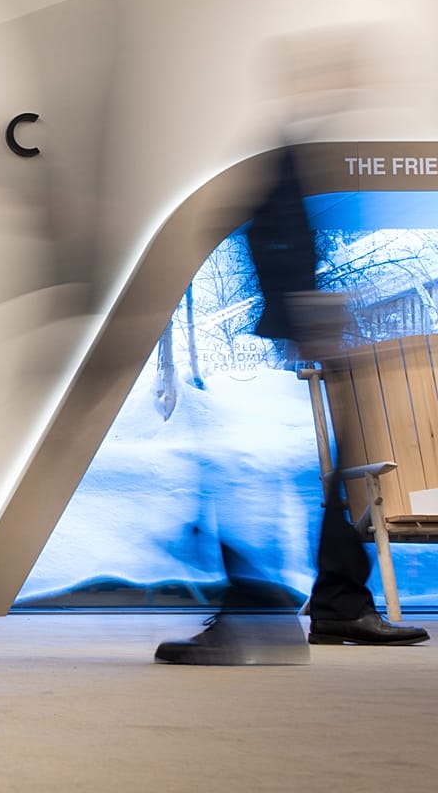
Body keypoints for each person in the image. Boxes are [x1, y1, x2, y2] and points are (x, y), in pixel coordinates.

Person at [154, 144, 429, 665]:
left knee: (282, 467)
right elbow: (279, 221)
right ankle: (311, 606)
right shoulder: (284, 146)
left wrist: (300, 311)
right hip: (295, 322)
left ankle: (292, 610)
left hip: (296, 322)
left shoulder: (285, 147)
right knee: (279, 465)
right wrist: (301, 312)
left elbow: (280, 221)